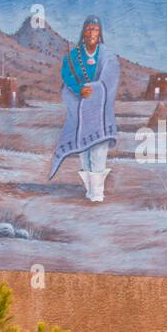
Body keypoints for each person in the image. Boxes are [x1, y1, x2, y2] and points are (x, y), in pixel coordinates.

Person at [48, 15, 120, 201]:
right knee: (84, 153)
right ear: (83, 32)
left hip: (100, 114)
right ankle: (90, 191)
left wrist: (94, 90)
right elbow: (66, 74)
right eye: (88, 29)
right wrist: (80, 89)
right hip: (80, 112)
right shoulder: (73, 56)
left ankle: (97, 193)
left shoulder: (107, 56)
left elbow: (110, 79)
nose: (91, 33)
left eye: (95, 29)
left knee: (98, 151)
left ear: (100, 33)